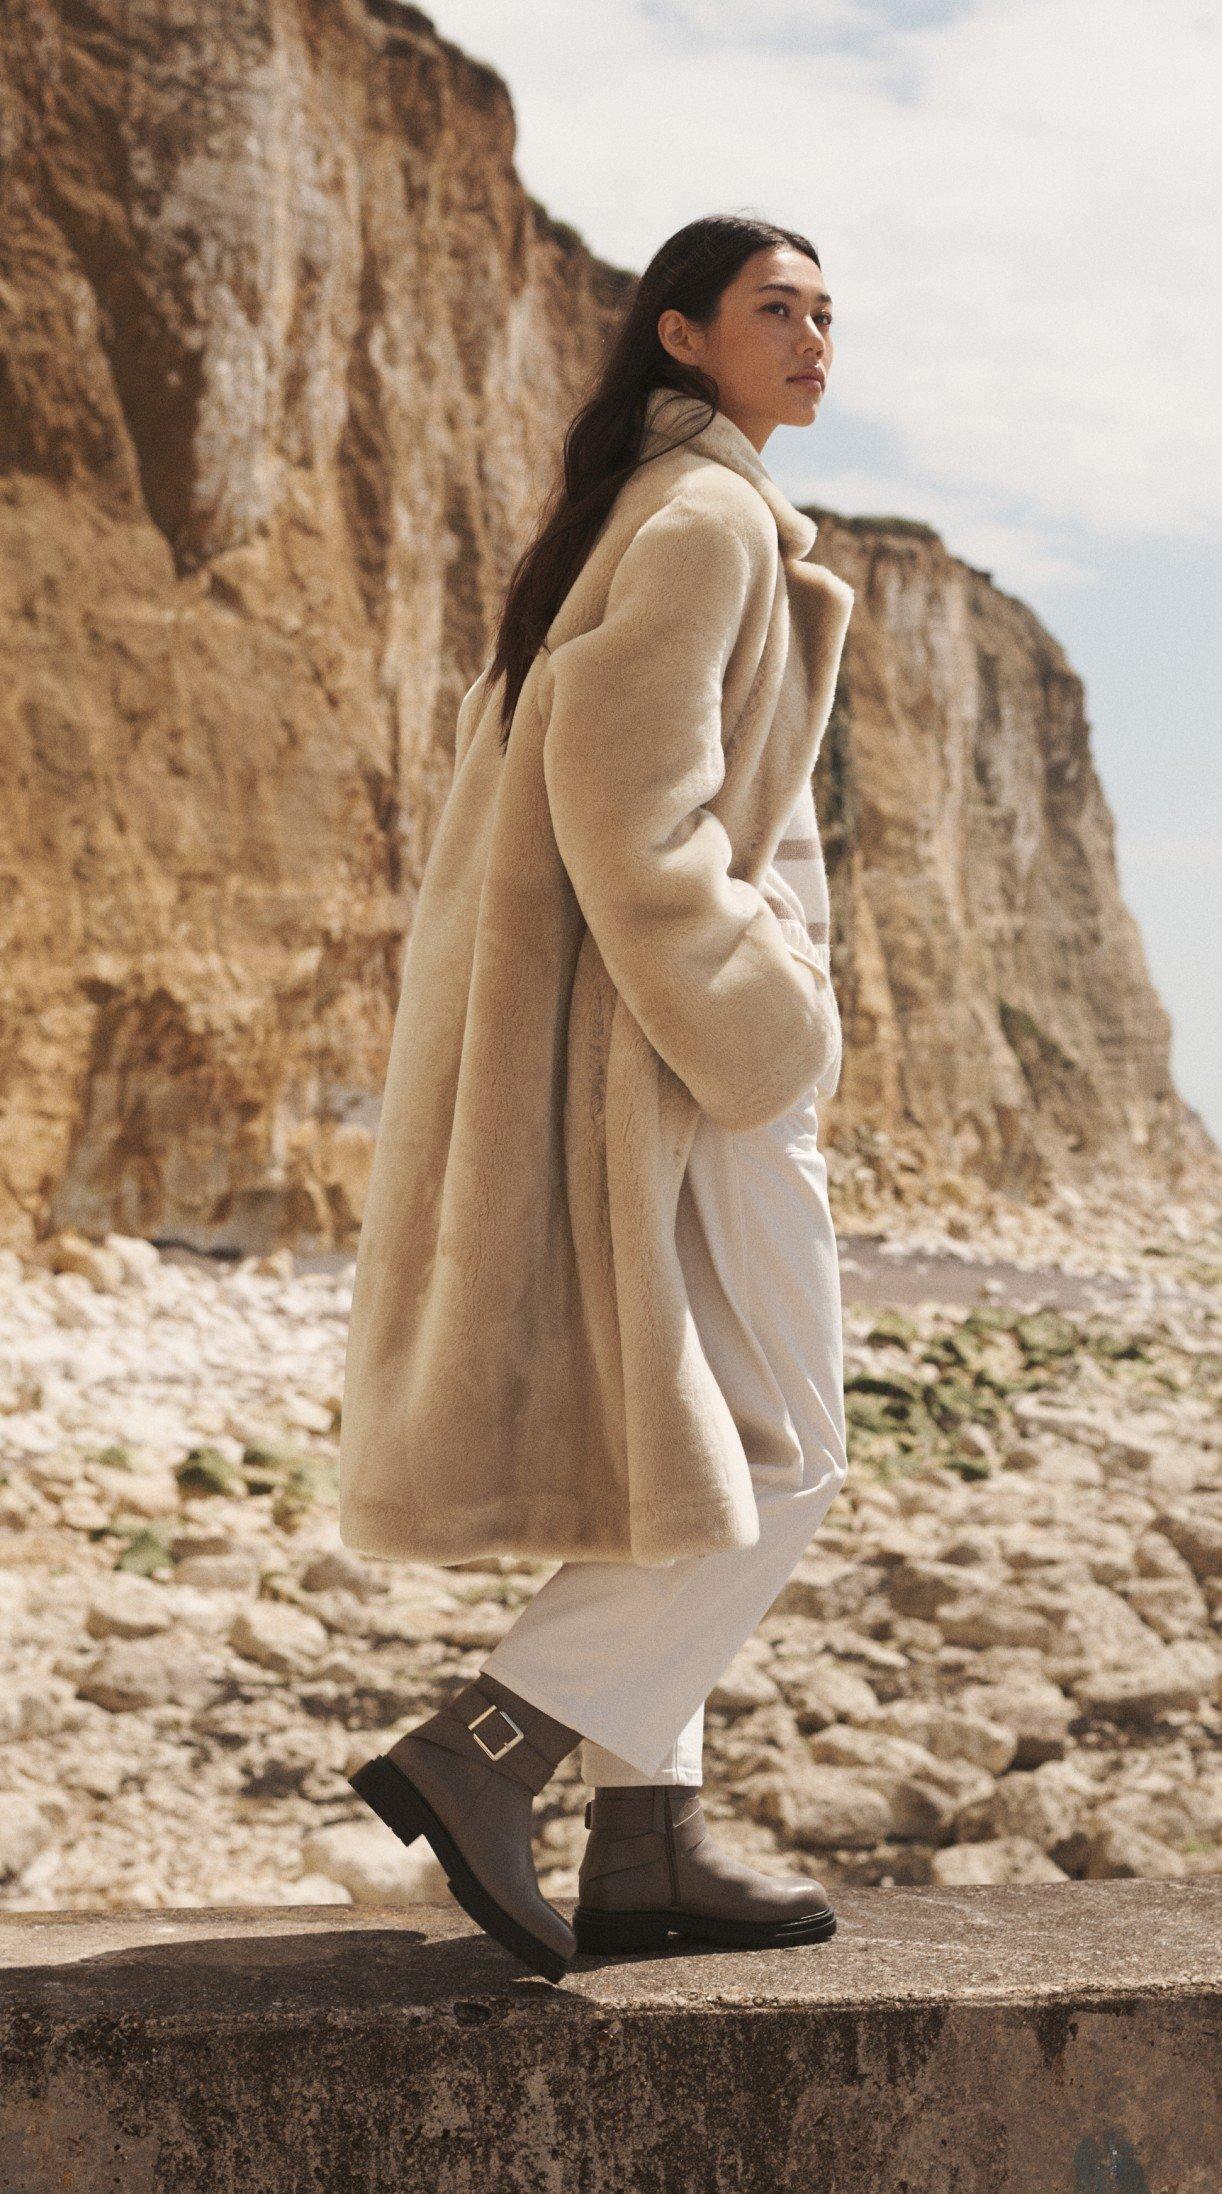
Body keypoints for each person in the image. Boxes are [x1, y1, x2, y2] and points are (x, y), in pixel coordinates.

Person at [340, 214, 854, 1982]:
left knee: (690, 1459)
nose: (814, 337)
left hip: (657, 1061)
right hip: (695, 1067)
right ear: (683, 336)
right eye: (777, 308)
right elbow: (629, 814)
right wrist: (771, 1021)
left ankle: (651, 1845)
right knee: (792, 1453)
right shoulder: (706, 518)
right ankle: (490, 1747)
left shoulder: (652, 513)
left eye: (827, 313)